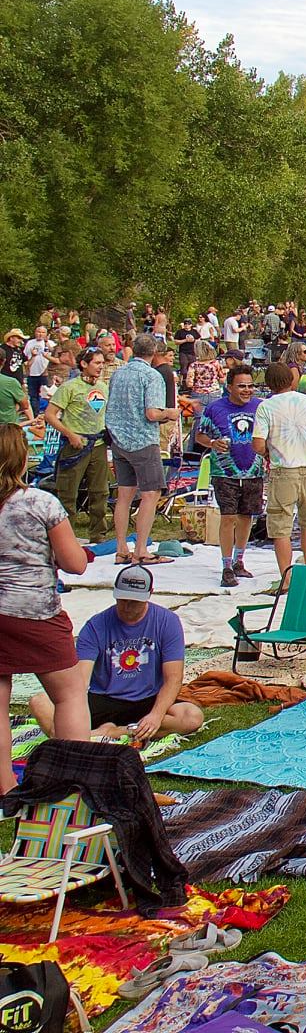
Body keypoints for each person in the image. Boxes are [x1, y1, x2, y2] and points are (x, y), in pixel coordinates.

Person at [0, 422, 93, 787]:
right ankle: (76, 781)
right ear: (22, 460)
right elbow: (75, 563)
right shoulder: (41, 502)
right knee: (69, 695)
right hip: (34, 611)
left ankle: (5, 789)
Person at [30, 563, 203, 743]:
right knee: (40, 702)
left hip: (148, 700)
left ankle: (110, 733)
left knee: (191, 716)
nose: (127, 607)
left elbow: (173, 678)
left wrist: (156, 716)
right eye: (123, 599)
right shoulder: (95, 626)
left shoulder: (167, 621)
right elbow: (80, 681)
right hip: (104, 699)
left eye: (134, 601)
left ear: (149, 595)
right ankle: (113, 732)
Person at [253, 361, 306, 580]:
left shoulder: (266, 407)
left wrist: (269, 452)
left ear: (268, 384)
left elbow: (258, 444)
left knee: (281, 526)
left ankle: (286, 576)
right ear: (291, 380)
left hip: (283, 470)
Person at [195, 363, 266, 589]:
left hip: (254, 470)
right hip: (224, 471)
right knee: (228, 517)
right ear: (229, 387)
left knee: (247, 516)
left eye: (250, 386)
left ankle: (239, 560)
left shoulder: (261, 407)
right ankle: (226, 565)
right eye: (241, 386)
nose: (247, 390)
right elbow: (200, 436)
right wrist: (213, 443)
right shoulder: (215, 408)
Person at [103, 333, 172, 566]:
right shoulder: (151, 376)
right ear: (153, 353)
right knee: (151, 494)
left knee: (124, 494)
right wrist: (169, 414)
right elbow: (152, 413)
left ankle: (121, 548)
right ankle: (141, 550)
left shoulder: (117, 373)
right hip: (142, 440)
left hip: (118, 440)